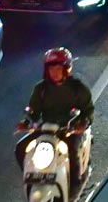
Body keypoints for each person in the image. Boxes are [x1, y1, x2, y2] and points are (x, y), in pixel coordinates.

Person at [18, 48, 94, 184]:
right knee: (20, 148)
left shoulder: (78, 88)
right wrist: (27, 121)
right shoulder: (41, 89)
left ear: (67, 69)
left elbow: (88, 110)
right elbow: (33, 111)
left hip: (69, 130)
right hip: (46, 130)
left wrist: (83, 123)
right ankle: (30, 177)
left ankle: (74, 186)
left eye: (58, 68)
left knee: (73, 151)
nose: (54, 73)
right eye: (51, 69)